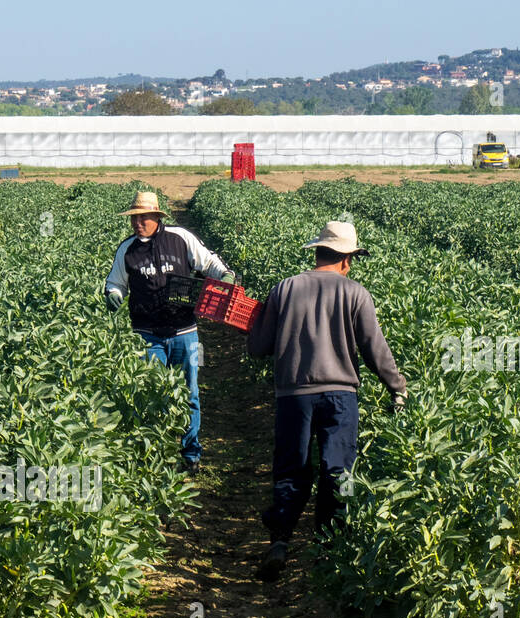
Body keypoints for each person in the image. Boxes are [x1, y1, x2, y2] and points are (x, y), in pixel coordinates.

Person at [246, 220, 408, 581]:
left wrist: (255, 323)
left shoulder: (284, 289)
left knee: (291, 468)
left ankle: (280, 541)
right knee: (339, 471)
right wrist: (396, 386)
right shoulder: (356, 293)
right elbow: (374, 349)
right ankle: (330, 549)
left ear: (317, 252)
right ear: (347, 259)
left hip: (293, 395)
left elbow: (259, 347)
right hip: (340, 396)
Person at [103, 190, 235, 475]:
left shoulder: (180, 238)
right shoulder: (127, 249)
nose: (138, 223)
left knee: (190, 391)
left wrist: (224, 275)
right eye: (134, 218)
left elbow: (209, 262)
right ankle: (155, 454)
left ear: (157, 217)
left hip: (184, 332)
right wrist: (112, 294)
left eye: (143, 217)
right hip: (146, 334)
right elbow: (115, 283)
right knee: (150, 393)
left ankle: (190, 454)